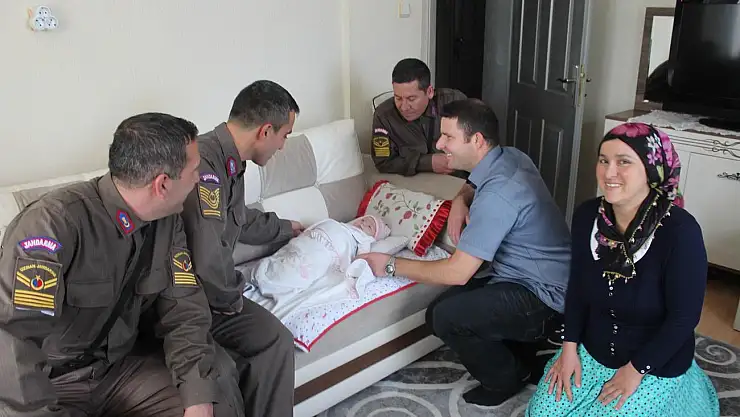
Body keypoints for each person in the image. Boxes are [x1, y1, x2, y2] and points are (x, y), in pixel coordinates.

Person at [0, 113, 242, 417]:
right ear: (162, 184)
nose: (199, 179)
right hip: (54, 382)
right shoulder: (52, 224)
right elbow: (13, 339)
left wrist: (198, 397)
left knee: (216, 397)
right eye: (194, 170)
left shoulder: (167, 223)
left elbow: (184, 312)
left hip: (119, 371)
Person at [358, 98, 572, 406]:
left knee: (445, 317)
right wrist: (460, 200)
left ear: (477, 140)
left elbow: (457, 272)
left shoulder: (498, 194)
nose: (439, 144)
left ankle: (505, 380)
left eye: (448, 137)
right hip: (532, 275)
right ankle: (523, 356)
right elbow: (473, 182)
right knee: (442, 310)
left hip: (544, 295)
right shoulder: (510, 157)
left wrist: (390, 264)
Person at [526, 123, 720, 416]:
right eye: (603, 160)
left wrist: (634, 371)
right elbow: (577, 287)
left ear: (652, 170)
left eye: (624, 162)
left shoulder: (680, 232)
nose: (609, 173)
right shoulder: (587, 216)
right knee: (543, 412)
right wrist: (569, 349)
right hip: (593, 350)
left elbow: (684, 318)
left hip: (652, 362)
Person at [181, 80, 303, 417]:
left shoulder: (230, 163)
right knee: (226, 371)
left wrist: (284, 228)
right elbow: (206, 255)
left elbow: (239, 219)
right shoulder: (204, 166)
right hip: (192, 300)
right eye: (285, 136)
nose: (283, 146)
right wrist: (234, 298)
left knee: (276, 341)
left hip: (210, 296)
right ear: (266, 131)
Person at [371, 57, 468, 177]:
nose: (404, 107)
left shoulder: (455, 102)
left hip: (457, 180)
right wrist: (427, 163)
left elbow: (480, 151)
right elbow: (383, 162)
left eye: (411, 99)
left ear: (429, 92)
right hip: (411, 183)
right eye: (398, 98)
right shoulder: (384, 116)